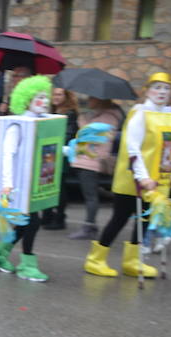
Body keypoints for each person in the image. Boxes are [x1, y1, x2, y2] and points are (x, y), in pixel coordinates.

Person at [84, 72, 171, 278]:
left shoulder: (170, 114)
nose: (162, 92)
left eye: (166, 88)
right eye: (157, 87)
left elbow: (166, 149)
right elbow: (133, 148)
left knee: (144, 219)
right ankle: (96, 259)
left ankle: (133, 261)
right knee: (120, 217)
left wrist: (168, 174)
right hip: (134, 179)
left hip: (156, 181)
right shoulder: (140, 114)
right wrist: (142, 177)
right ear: (147, 90)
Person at [0, 76, 58, 282]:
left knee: (28, 223)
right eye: (39, 97)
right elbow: (6, 156)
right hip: (19, 186)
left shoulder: (43, 122)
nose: (44, 101)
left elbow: (47, 149)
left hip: (36, 184)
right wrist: (7, 184)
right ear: (26, 100)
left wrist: (67, 150)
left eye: (46, 97)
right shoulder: (17, 126)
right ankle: (27, 265)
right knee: (32, 222)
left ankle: (0, 253)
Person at [67, 97, 122, 240]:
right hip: (86, 158)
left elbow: (90, 135)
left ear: (100, 100)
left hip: (92, 160)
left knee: (90, 196)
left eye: (92, 98)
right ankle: (90, 224)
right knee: (90, 193)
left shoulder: (108, 117)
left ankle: (89, 226)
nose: (88, 100)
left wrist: (82, 119)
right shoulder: (100, 115)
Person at [41, 87, 79, 230]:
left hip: (60, 154)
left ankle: (60, 217)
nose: (55, 97)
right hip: (49, 153)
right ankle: (47, 214)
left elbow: (69, 134)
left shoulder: (69, 113)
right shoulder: (51, 111)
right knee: (47, 184)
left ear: (66, 96)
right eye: (54, 94)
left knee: (59, 187)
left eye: (59, 94)